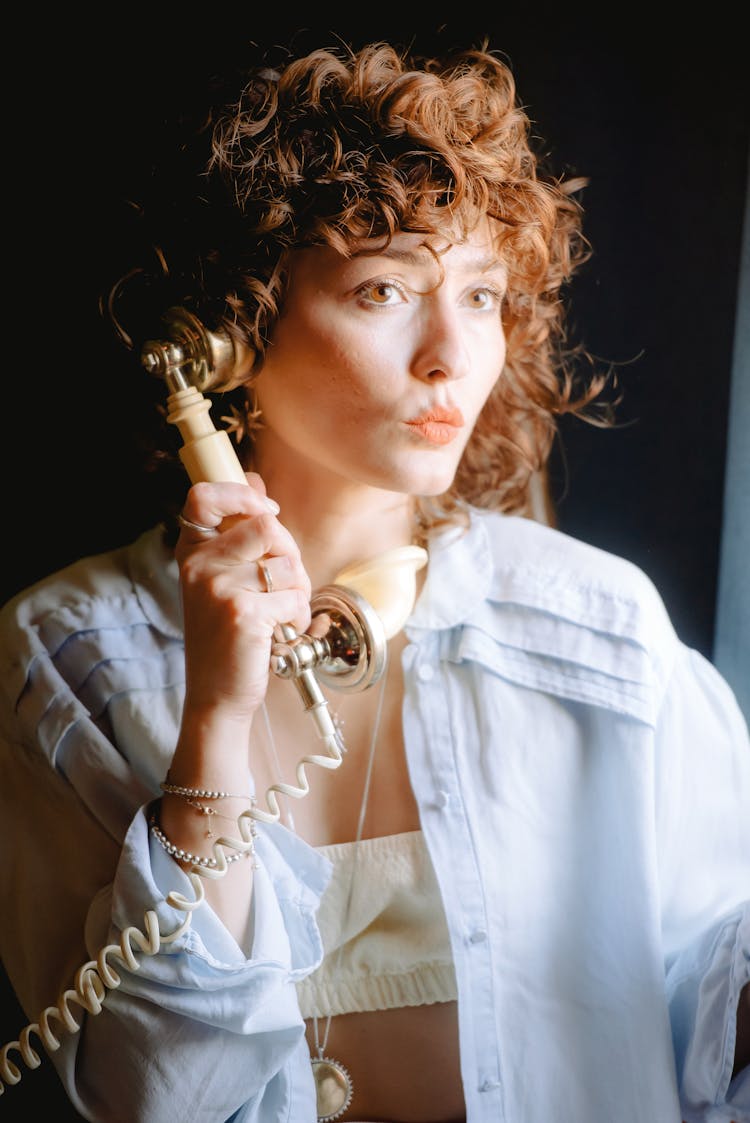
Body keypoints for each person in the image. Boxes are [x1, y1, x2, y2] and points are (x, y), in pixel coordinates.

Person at [0, 34, 748, 1123]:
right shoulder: (69, 653)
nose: (451, 352)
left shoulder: (599, 628)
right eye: (384, 287)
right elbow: (154, 1088)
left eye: (484, 296)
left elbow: (710, 1015)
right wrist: (216, 711)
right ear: (226, 334)